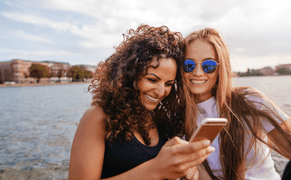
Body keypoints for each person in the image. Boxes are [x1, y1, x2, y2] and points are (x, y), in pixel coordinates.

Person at [69, 24, 215, 180]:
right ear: (131, 75)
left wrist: (185, 167)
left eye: (168, 84)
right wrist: (156, 169)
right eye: (152, 80)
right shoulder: (97, 117)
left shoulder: (162, 119)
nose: (160, 92)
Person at [180, 28, 291, 180]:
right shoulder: (179, 118)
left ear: (220, 69)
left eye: (208, 66)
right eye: (188, 65)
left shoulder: (251, 101)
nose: (198, 72)